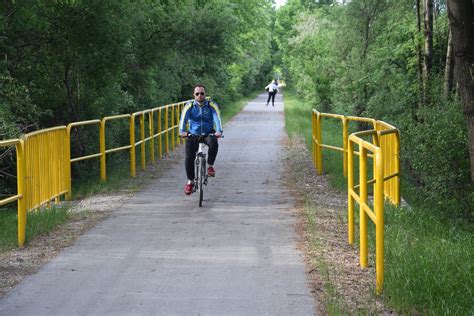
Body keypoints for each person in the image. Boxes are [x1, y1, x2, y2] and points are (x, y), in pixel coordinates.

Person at [179, 84, 223, 195]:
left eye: (202, 93)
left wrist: (219, 131)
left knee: (214, 143)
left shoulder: (211, 104)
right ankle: (190, 181)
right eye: (197, 93)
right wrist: (182, 131)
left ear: (205, 94)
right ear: (194, 95)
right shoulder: (189, 105)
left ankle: (210, 166)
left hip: (208, 133)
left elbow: (217, 118)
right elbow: (183, 119)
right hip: (193, 134)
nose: (200, 95)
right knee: (189, 156)